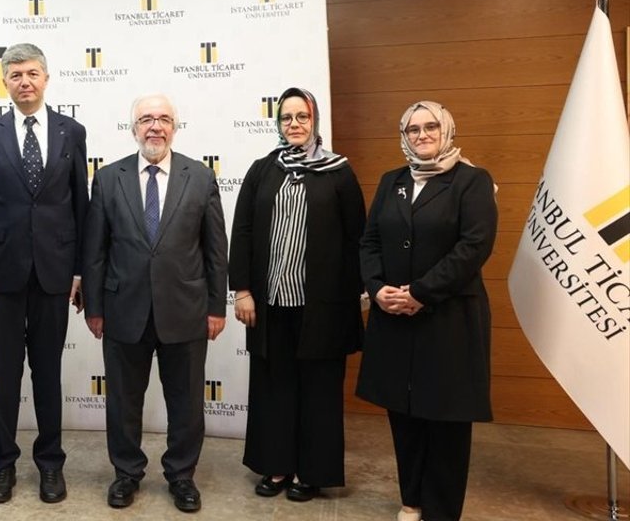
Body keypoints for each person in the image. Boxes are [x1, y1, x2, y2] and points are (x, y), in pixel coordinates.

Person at [82, 94, 228, 512]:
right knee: (123, 402)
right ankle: (126, 473)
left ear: (174, 128)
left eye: (163, 119)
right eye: (146, 119)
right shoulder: (107, 178)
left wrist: (216, 307)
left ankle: (181, 475)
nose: (155, 126)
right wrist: (94, 307)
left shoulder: (200, 177)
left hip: (186, 309)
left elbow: (215, 249)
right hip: (123, 310)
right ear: (133, 128)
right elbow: (95, 250)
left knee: (187, 402)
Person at [356, 101, 497, 521]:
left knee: (446, 419)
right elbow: (370, 241)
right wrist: (377, 288)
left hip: (449, 319)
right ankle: (412, 500)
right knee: (403, 413)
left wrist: (420, 292)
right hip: (393, 318)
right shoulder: (392, 181)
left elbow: (474, 247)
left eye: (430, 126)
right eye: (413, 129)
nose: (422, 135)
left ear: (447, 130)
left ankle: (440, 510)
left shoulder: (472, 181)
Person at [0, 42, 89, 504]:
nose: (25, 82)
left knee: (48, 373)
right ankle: (2, 465)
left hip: (55, 274)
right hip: (2, 276)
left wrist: (80, 272)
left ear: (46, 78)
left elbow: (81, 206)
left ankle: (50, 464)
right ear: (5, 82)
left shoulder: (72, 131)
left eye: (32, 73)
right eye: (16, 75)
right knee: (5, 374)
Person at [230, 86, 365, 503]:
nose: (294, 124)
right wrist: (242, 290)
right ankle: (277, 466)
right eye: (287, 118)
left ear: (314, 120)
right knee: (275, 388)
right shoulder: (262, 170)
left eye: (302, 117)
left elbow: (357, 239)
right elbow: (243, 231)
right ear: (278, 123)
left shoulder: (339, 172)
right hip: (270, 305)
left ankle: (312, 472)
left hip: (322, 308)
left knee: (319, 391)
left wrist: (357, 296)